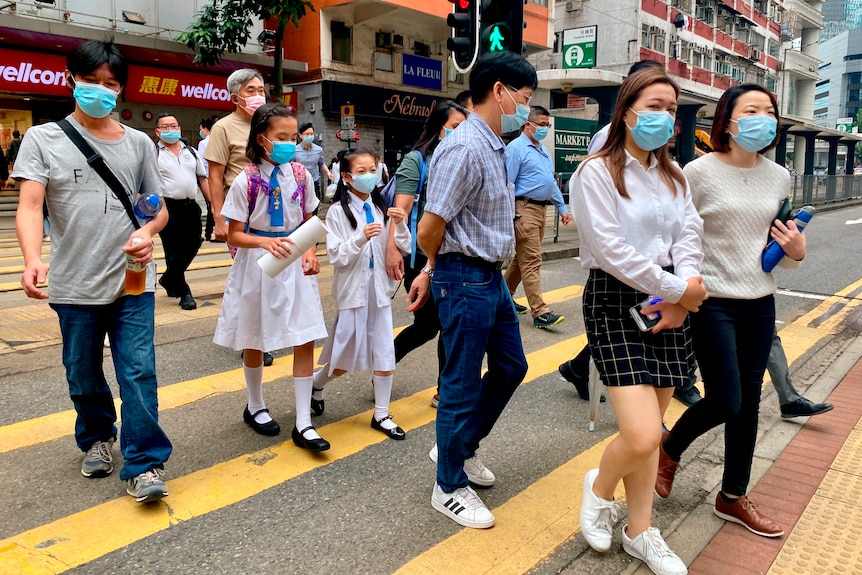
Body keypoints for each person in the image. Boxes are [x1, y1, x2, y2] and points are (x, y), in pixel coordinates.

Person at [14, 39, 172, 503]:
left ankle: (144, 462)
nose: (100, 91)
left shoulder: (140, 142)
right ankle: (97, 437)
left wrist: (149, 233)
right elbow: (29, 206)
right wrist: (32, 258)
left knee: (138, 371)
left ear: (120, 91)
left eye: (110, 85)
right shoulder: (43, 139)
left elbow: (157, 209)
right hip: (74, 282)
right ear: (71, 81)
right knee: (82, 372)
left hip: (133, 279)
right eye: (90, 82)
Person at [656, 84, 807, 540]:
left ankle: (733, 496)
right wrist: (678, 291)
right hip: (711, 299)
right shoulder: (696, 173)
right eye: (753, 110)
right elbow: (674, 237)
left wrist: (797, 250)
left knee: (749, 403)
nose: (765, 117)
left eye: (771, 110)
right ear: (727, 120)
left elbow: (775, 240)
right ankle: (671, 447)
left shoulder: (780, 176)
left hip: (760, 300)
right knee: (726, 398)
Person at [573, 66, 706, 575]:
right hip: (616, 299)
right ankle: (600, 490)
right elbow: (609, 250)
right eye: (654, 106)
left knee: (655, 423)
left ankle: (640, 531)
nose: (664, 117)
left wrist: (686, 286)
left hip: (669, 301)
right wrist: (678, 289)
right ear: (626, 109)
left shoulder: (673, 175)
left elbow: (689, 233)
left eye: (671, 109)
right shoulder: (596, 172)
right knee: (644, 433)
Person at [415, 50, 534, 530]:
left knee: (512, 366)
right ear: (499, 90)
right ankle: (448, 486)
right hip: (463, 276)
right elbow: (429, 227)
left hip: (488, 276)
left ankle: (459, 448)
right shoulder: (465, 146)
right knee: (460, 386)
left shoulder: (493, 144)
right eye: (523, 98)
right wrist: (434, 268)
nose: (526, 109)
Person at [212, 103, 328, 447]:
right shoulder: (246, 180)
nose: (290, 144)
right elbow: (234, 234)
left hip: (293, 264)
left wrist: (309, 251)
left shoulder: (302, 175)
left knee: (304, 335)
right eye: (282, 137)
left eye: (293, 137)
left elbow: (308, 218)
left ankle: (303, 422)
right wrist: (265, 242)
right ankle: (256, 404)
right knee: (255, 335)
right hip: (258, 265)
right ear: (262, 139)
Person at [310, 147, 411, 441]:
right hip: (352, 294)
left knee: (384, 352)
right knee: (342, 359)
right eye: (362, 171)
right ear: (347, 176)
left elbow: (401, 245)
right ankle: (316, 384)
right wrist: (359, 237)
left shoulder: (382, 207)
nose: (369, 176)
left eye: (373, 170)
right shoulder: (339, 213)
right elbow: (337, 256)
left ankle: (382, 413)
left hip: (378, 293)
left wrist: (401, 223)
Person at [386, 100, 468, 408]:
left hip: (451, 254)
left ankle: (442, 390)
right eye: (456, 127)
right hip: (421, 258)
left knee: (443, 324)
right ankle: (388, 363)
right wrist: (393, 249)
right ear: (439, 128)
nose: (462, 133)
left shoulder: (460, 159)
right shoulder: (416, 160)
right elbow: (401, 210)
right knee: (430, 326)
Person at [205, 68, 275, 367]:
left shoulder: (271, 124)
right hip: (240, 214)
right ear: (235, 97)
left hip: (272, 210)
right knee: (250, 279)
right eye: (251, 90)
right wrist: (219, 217)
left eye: (261, 89)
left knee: (271, 275)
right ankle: (250, 341)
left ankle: (265, 333)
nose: (258, 95)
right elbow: (215, 175)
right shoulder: (223, 127)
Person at [505, 105, 571, 328]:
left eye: (547, 125)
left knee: (521, 259)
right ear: (528, 124)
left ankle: (503, 298)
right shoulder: (516, 149)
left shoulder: (542, 150)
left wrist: (562, 208)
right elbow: (507, 183)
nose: (544, 128)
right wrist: (510, 214)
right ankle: (540, 312)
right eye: (541, 124)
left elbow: (550, 182)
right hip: (523, 209)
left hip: (541, 210)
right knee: (532, 261)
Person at [154, 113, 210, 310]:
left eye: (174, 126)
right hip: (167, 207)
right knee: (174, 251)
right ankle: (184, 291)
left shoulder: (192, 152)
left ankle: (169, 278)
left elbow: (202, 179)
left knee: (194, 243)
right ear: (158, 131)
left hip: (190, 207)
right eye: (166, 127)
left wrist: (213, 206)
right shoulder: (154, 153)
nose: (171, 130)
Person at [295, 122, 333, 202]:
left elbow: (321, 163)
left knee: (315, 205)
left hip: (314, 181)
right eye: (307, 134)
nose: (309, 136)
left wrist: (328, 172)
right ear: (300, 135)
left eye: (311, 134)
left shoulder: (318, 150)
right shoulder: (295, 150)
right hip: (299, 183)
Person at [198, 116, 218, 242]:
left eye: (201, 129)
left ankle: (209, 233)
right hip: (221, 178)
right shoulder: (220, 140)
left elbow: (201, 164)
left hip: (209, 178)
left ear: (205, 129)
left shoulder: (204, 143)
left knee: (211, 205)